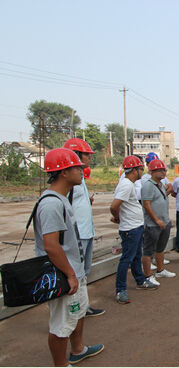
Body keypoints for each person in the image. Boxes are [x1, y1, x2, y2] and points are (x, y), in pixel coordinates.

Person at [34, 148, 104, 366]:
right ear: (63, 172)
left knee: (78, 312)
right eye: (77, 168)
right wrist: (70, 275)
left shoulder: (62, 199)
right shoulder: (51, 204)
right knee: (61, 324)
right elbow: (51, 246)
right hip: (63, 273)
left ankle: (78, 349)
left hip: (73, 270)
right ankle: (61, 364)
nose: (82, 171)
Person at [62, 138, 105, 317]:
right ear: (76, 154)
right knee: (76, 272)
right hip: (77, 233)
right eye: (87, 154)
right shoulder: (68, 179)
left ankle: (83, 306)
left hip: (86, 232)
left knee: (84, 272)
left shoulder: (80, 177)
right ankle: (73, 309)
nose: (89, 157)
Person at [110, 155, 158, 305]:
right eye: (141, 170)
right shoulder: (126, 185)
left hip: (135, 227)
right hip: (130, 228)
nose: (142, 173)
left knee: (137, 256)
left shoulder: (128, 183)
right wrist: (117, 217)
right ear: (134, 170)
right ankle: (120, 290)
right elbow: (114, 206)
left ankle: (140, 280)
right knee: (126, 259)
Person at [140, 159, 176, 286]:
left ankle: (160, 270)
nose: (163, 173)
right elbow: (146, 205)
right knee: (148, 251)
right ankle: (147, 276)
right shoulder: (148, 185)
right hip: (153, 224)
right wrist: (156, 220)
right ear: (152, 172)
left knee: (160, 248)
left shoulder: (160, 184)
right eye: (160, 170)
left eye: (164, 170)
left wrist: (165, 220)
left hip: (163, 222)